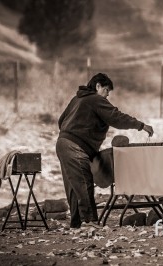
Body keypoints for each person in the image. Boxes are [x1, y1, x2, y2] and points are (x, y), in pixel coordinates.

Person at [56, 73, 154, 229]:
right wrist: (141, 125)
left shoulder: (76, 99)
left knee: (74, 186)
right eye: (107, 90)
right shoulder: (96, 99)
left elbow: (61, 121)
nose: (108, 94)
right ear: (98, 86)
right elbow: (116, 117)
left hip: (62, 143)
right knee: (83, 182)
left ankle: (76, 223)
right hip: (75, 146)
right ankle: (89, 222)